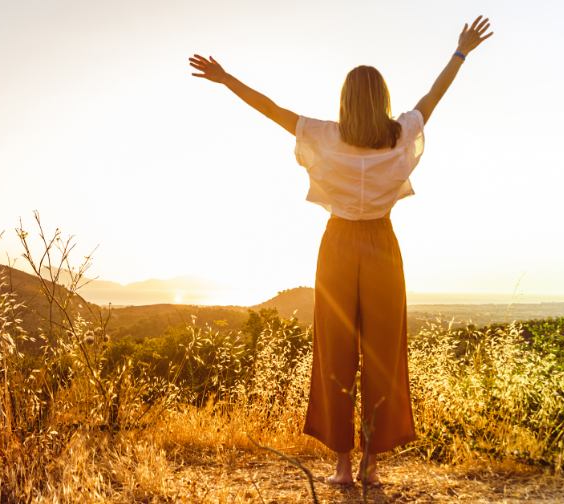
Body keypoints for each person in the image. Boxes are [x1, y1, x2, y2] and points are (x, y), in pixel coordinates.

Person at [189, 16, 493, 487]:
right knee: (382, 352)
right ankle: (372, 467)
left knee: (334, 353)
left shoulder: (327, 136)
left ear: (346, 101)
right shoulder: (400, 134)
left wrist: (226, 78)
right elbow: (433, 97)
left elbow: (269, 109)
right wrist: (460, 52)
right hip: (383, 245)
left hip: (337, 244)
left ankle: (343, 468)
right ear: (384, 100)